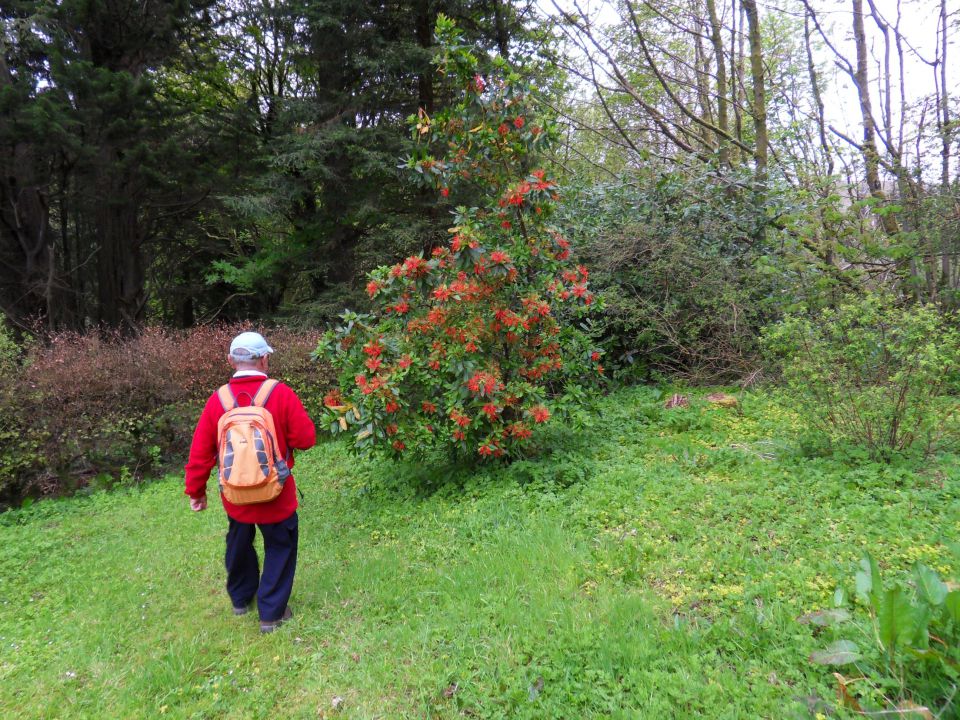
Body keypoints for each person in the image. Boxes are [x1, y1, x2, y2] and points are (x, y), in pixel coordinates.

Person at [184, 331, 316, 633]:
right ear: (265, 360)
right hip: (276, 494)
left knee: (239, 542)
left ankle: (241, 600)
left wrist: (196, 491)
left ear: (231, 360)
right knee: (280, 547)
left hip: (235, 496)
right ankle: (271, 615)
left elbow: (200, 452)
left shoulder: (218, 400)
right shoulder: (280, 393)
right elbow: (306, 439)